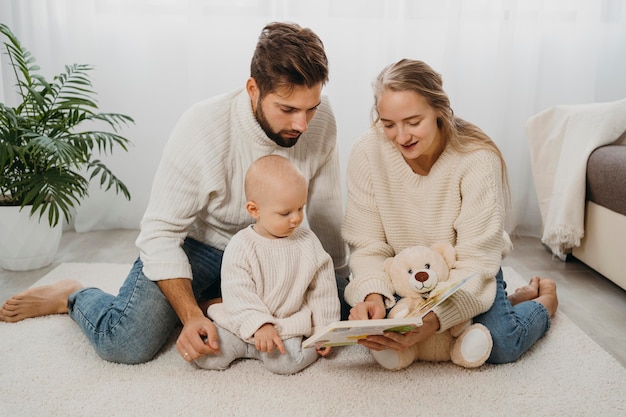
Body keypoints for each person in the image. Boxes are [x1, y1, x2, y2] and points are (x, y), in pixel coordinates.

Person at [0, 22, 350, 365]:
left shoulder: (320, 119)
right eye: (288, 110)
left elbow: (326, 206)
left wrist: (338, 280)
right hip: (201, 246)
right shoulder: (204, 127)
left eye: (311, 108)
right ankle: (73, 295)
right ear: (253, 89)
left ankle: (218, 301)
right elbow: (160, 234)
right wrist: (189, 314)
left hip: (276, 243)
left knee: (345, 308)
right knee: (125, 342)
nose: (302, 124)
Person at [343, 59, 558, 364]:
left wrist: (433, 320)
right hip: (405, 273)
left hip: (469, 270)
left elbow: (476, 261)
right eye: (388, 124)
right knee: (380, 334)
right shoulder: (366, 152)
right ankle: (508, 301)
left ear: (439, 111)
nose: (401, 136)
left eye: (413, 122)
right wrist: (373, 297)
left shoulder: (476, 158)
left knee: (501, 344)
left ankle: (545, 300)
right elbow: (367, 245)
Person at [195, 155, 339, 374]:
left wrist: (323, 330)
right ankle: (248, 345)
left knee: (288, 363)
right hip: (244, 324)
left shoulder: (308, 242)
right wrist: (259, 324)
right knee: (208, 356)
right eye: (285, 213)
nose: (296, 218)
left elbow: (322, 290)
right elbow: (238, 291)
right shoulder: (241, 245)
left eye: (300, 208)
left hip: (286, 325)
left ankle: (270, 351)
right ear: (254, 210)